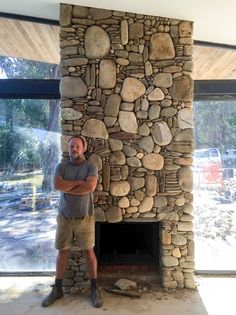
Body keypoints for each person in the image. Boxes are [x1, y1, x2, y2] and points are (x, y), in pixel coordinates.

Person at [41, 135, 103, 308]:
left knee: (89, 253)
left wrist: (70, 186)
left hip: (85, 217)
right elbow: (57, 186)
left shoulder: (91, 166)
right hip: (64, 218)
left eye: (77, 147)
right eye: (71, 147)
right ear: (68, 149)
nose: (74, 149)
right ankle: (58, 288)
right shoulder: (61, 167)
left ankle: (94, 288)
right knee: (62, 252)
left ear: (83, 148)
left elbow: (90, 187)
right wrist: (78, 184)